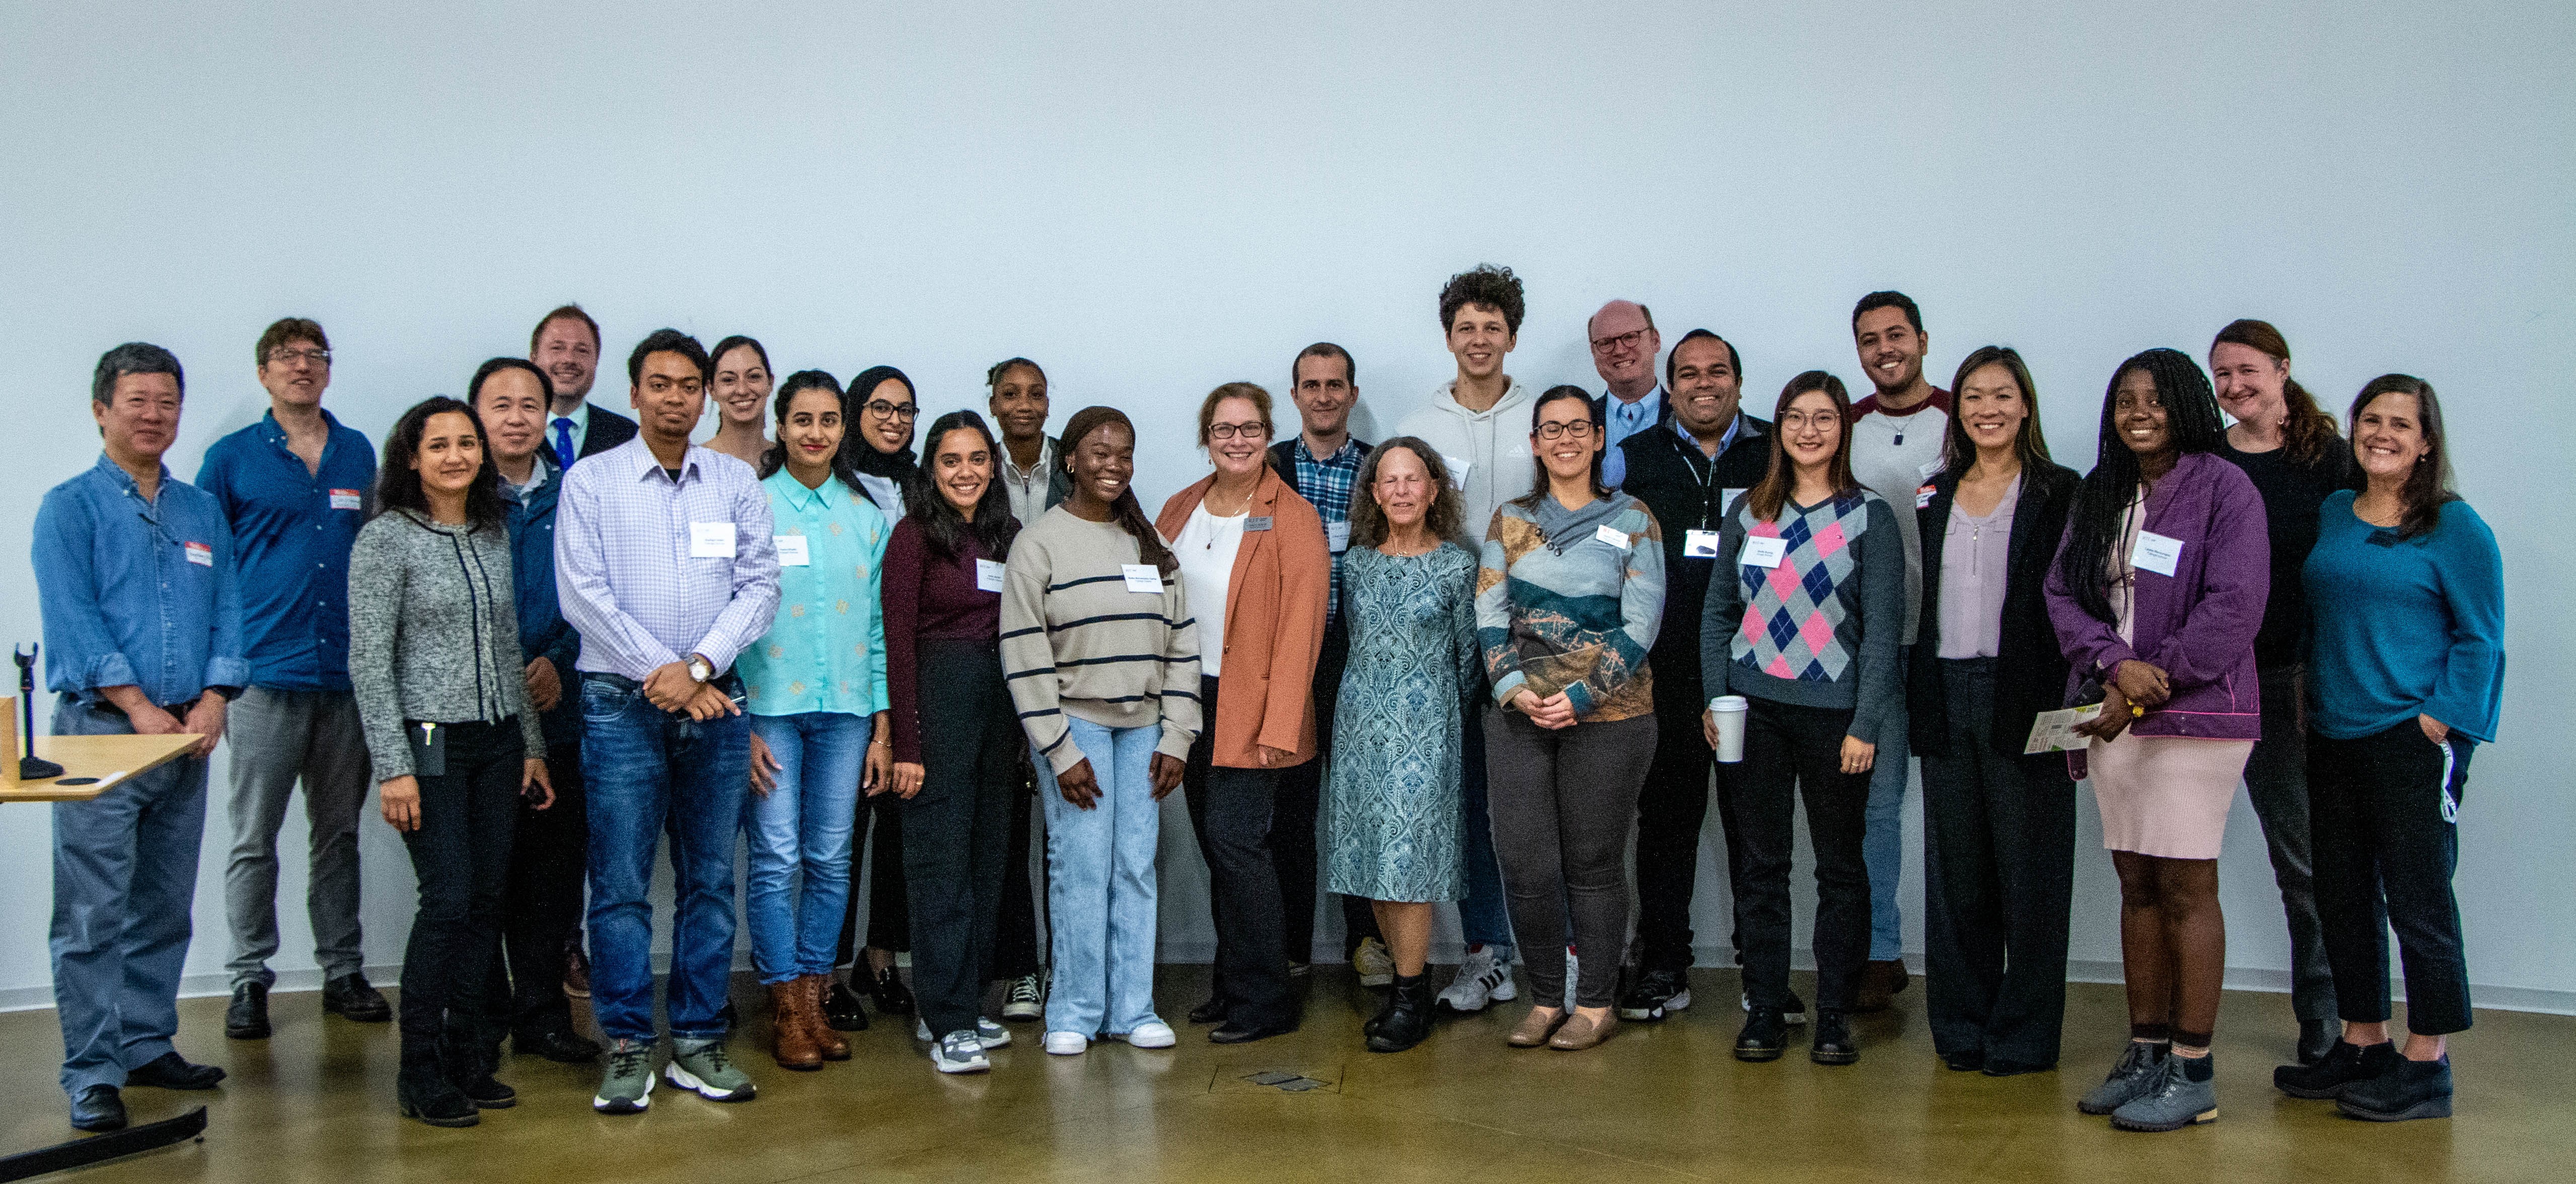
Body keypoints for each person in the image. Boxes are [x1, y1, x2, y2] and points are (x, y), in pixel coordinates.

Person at [555, 329, 780, 1113]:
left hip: (716, 702)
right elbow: (583, 596)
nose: (677, 398)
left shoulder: (735, 482)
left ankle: (696, 1039)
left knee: (711, 883)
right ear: (635, 392)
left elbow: (760, 587)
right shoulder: (592, 481)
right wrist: (671, 677)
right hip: (620, 707)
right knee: (618, 887)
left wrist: (700, 670)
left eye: (690, 385)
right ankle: (625, 1044)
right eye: (661, 384)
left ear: (706, 395)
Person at [2046, 348, 2267, 1133]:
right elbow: (2062, 594)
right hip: (2115, 712)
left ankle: (2193, 1071)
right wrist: (2114, 666)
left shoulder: (2224, 489)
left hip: (2196, 718)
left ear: (2186, 406)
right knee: (2135, 885)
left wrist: (2151, 676)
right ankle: (2144, 1053)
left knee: (2184, 889)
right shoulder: (2101, 492)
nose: (2139, 413)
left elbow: (2235, 605)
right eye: (2124, 401)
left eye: (2156, 400)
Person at [2276, 376, 2503, 1122]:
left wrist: (2441, 722)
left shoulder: (2455, 528)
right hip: (2334, 735)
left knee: (2419, 902)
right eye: (2370, 419)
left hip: (2410, 739)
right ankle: (2363, 1040)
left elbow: (2481, 638)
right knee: (2340, 897)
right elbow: (2321, 612)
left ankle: (2426, 1062)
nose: (2381, 433)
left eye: (2399, 424)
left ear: (2426, 441)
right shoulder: (2337, 511)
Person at [35, 343, 246, 1133]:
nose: (154, 415)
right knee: (92, 914)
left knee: (162, 905)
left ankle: (145, 1042)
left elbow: (231, 606)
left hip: (184, 738)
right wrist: (133, 704)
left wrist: (218, 694)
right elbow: (72, 619)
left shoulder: (200, 510)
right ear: (102, 409)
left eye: (167, 402)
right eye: (137, 401)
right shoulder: (70, 508)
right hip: (97, 739)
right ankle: (91, 1072)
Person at [347, 396, 555, 1127]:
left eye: (467, 443)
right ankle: (420, 1068)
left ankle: (472, 1056)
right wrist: (393, 765)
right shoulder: (385, 541)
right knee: (448, 902)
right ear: (411, 457)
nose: (457, 457)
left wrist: (530, 744)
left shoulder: (491, 534)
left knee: (487, 903)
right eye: (439, 446)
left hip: (496, 741)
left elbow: (507, 650)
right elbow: (369, 663)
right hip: (427, 741)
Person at [1698, 371, 1902, 1067]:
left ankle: (1836, 1014)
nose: (1808, 430)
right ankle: (1764, 1008)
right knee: (1761, 868)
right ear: (1778, 427)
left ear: (1844, 427)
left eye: (1823, 417)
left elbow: (1881, 634)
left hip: (1835, 719)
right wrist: (1713, 699)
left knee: (1841, 871)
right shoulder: (1750, 512)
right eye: (1794, 417)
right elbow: (1719, 612)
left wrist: (1866, 724)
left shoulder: (1868, 516)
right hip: (1754, 714)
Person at [194, 317, 389, 1038]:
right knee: (253, 838)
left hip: (344, 679)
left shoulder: (356, 452)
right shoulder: (231, 459)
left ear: (328, 371)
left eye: (314, 357)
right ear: (263, 373)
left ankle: (342, 969)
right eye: (286, 357)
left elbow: (375, 554)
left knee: (337, 835)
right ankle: (248, 978)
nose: (301, 367)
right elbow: (205, 568)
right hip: (262, 680)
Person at [1000, 406, 1199, 1057]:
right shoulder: (1039, 543)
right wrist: (1057, 750)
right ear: (1070, 461)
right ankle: (1075, 1012)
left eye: (1124, 453)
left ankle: (1132, 1009)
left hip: (1145, 727)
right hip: (1075, 725)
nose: (1112, 464)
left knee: (1135, 868)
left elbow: (1181, 646)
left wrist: (1178, 736)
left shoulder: (1148, 544)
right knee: (1081, 868)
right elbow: (1024, 652)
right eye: (1098, 452)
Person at [1478, 385, 1666, 1052]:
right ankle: (1544, 997)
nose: (1564, 439)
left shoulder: (1633, 518)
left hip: (1611, 717)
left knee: (1592, 863)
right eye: (1550, 429)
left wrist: (1583, 695)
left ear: (1597, 438)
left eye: (1577, 428)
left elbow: (1643, 623)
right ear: (1534, 442)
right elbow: (1489, 613)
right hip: (1520, 714)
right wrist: (1511, 685)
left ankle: (1594, 1002)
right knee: (1525, 864)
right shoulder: (1509, 519)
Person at [1907, 347, 2079, 1075]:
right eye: (1974, 396)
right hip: (1946, 690)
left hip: (2028, 695)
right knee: (1956, 875)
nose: (1987, 409)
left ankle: (2025, 1035)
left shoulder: (2060, 490)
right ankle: (1961, 1028)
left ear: (2026, 406)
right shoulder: (1934, 492)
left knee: (2031, 873)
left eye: (2002, 395)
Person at [1612, 328, 1779, 1024]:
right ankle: (1663, 964)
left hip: (1761, 666)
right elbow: (1610, 545)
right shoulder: (1635, 457)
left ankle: (1764, 973)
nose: (1702, 384)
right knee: (1667, 827)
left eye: (1716, 372)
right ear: (1669, 385)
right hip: (1667, 670)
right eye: (1687, 374)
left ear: (1738, 382)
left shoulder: (1774, 448)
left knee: (1756, 827)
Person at [1159, 383, 1331, 1045]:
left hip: (1255, 709)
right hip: (1188, 702)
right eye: (1223, 429)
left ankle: (1266, 1001)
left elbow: (1302, 632)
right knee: (1217, 849)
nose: (1237, 440)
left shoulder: (1292, 517)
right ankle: (1233, 985)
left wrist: (1280, 727)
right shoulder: (1179, 507)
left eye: (1250, 428)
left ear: (1268, 434)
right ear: (1206, 435)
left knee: (1239, 846)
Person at [2209, 318, 2358, 1065]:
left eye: (2247, 371)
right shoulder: (2206, 461)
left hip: (2298, 683)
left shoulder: (2330, 460)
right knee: (2222, 860)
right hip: (2214, 681)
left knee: (2308, 862)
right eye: (2222, 376)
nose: (2235, 387)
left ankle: (2325, 1018)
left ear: (2282, 369)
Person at [734, 371, 892, 1071]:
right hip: (769, 710)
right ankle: (787, 1010)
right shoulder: (753, 506)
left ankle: (814, 995)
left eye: (829, 420)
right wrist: (736, 719)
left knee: (830, 860)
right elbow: (725, 616)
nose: (817, 433)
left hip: (848, 713)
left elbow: (881, 625)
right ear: (781, 426)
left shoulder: (865, 515)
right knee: (775, 860)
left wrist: (884, 724)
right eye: (803, 419)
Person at [1393, 264, 1530, 1014]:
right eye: (1466, 328)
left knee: (1537, 803)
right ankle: (1486, 954)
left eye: (1492, 327)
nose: (1479, 340)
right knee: (1469, 799)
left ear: (1511, 336)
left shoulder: (1546, 416)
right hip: (1445, 635)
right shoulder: (1421, 424)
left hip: (1529, 631)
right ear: (1449, 337)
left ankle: (1566, 954)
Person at [466, 358, 598, 1065]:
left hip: (561, 705)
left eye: (530, 404)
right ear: (476, 414)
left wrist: (558, 655)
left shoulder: (578, 493)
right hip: (478, 715)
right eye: (500, 404)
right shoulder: (455, 492)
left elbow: (603, 587)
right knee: (482, 873)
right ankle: (483, 1021)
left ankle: (544, 1016)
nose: (517, 417)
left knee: (551, 877)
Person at [1328, 439, 1480, 1052]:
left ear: (1434, 489)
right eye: (1387, 481)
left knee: (1407, 870)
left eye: (1412, 479)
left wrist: (1436, 719)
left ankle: (1413, 997)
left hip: (1424, 733)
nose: (1400, 491)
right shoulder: (1357, 563)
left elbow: (1469, 658)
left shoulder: (1456, 566)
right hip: (1359, 728)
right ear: (1372, 493)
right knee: (1372, 861)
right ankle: (1402, 990)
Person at [887, 411, 1026, 1074]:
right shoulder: (914, 538)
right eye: (951, 460)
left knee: (987, 861)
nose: (965, 472)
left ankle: (968, 1004)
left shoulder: (1009, 536)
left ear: (992, 467)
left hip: (999, 716)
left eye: (976, 459)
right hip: (935, 714)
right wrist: (906, 745)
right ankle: (944, 1020)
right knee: (940, 867)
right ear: (931, 469)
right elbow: (895, 645)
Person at [1845, 290, 1947, 1010]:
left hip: (1952, 646)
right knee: (1878, 808)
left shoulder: (1959, 419)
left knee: (1954, 812)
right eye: (1869, 339)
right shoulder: (1843, 428)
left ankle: (1967, 958)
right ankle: (1880, 950)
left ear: (1921, 339)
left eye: (1896, 335)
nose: (1885, 349)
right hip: (1875, 645)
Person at [1266, 342, 1379, 980]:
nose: (1324, 395)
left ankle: (1366, 941)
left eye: (1336, 384)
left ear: (1352, 395)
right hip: (1290, 657)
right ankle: (1291, 950)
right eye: (1311, 385)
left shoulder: (1378, 468)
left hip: (1360, 654)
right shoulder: (1269, 467)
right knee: (1290, 806)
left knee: (1359, 802)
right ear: (1295, 396)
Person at [818, 363, 918, 1026]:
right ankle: (824, 976)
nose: (893, 420)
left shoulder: (922, 483)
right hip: (849, 679)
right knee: (841, 835)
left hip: (913, 674)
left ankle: (879, 960)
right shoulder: (829, 482)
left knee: (902, 835)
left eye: (905, 410)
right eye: (880, 407)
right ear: (856, 412)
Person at [983, 355, 1062, 1022]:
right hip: (994, 664)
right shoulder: (972, 465)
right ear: (993, 403)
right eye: (1011, 394)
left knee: (1065, 830)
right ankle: (1018, 971)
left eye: (1035, 393)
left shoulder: (1079, 462)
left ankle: (1067, 963)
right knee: (1007, 830)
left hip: (1070, 665)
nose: (1024, 404)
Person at [533, 304, 637, 467]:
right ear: (533, 359)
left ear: (596, 361)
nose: (569, 359)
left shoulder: (625, 435)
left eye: (582, 351)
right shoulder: (512, 430)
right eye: (557, 348)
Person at [1586, 299, 1667, 488]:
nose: (1620, 351)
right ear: (1593, 351)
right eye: (1606, 343)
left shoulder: (1687, 419)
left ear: (1655, 340)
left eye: (1630, 337)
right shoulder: (1580, 422)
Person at [703, 335, 774, 469]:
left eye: (754, 377)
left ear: (770, 383)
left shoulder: (791, 462)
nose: (742, 390)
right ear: (711, 389)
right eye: (729, 380)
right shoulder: (696, 463)